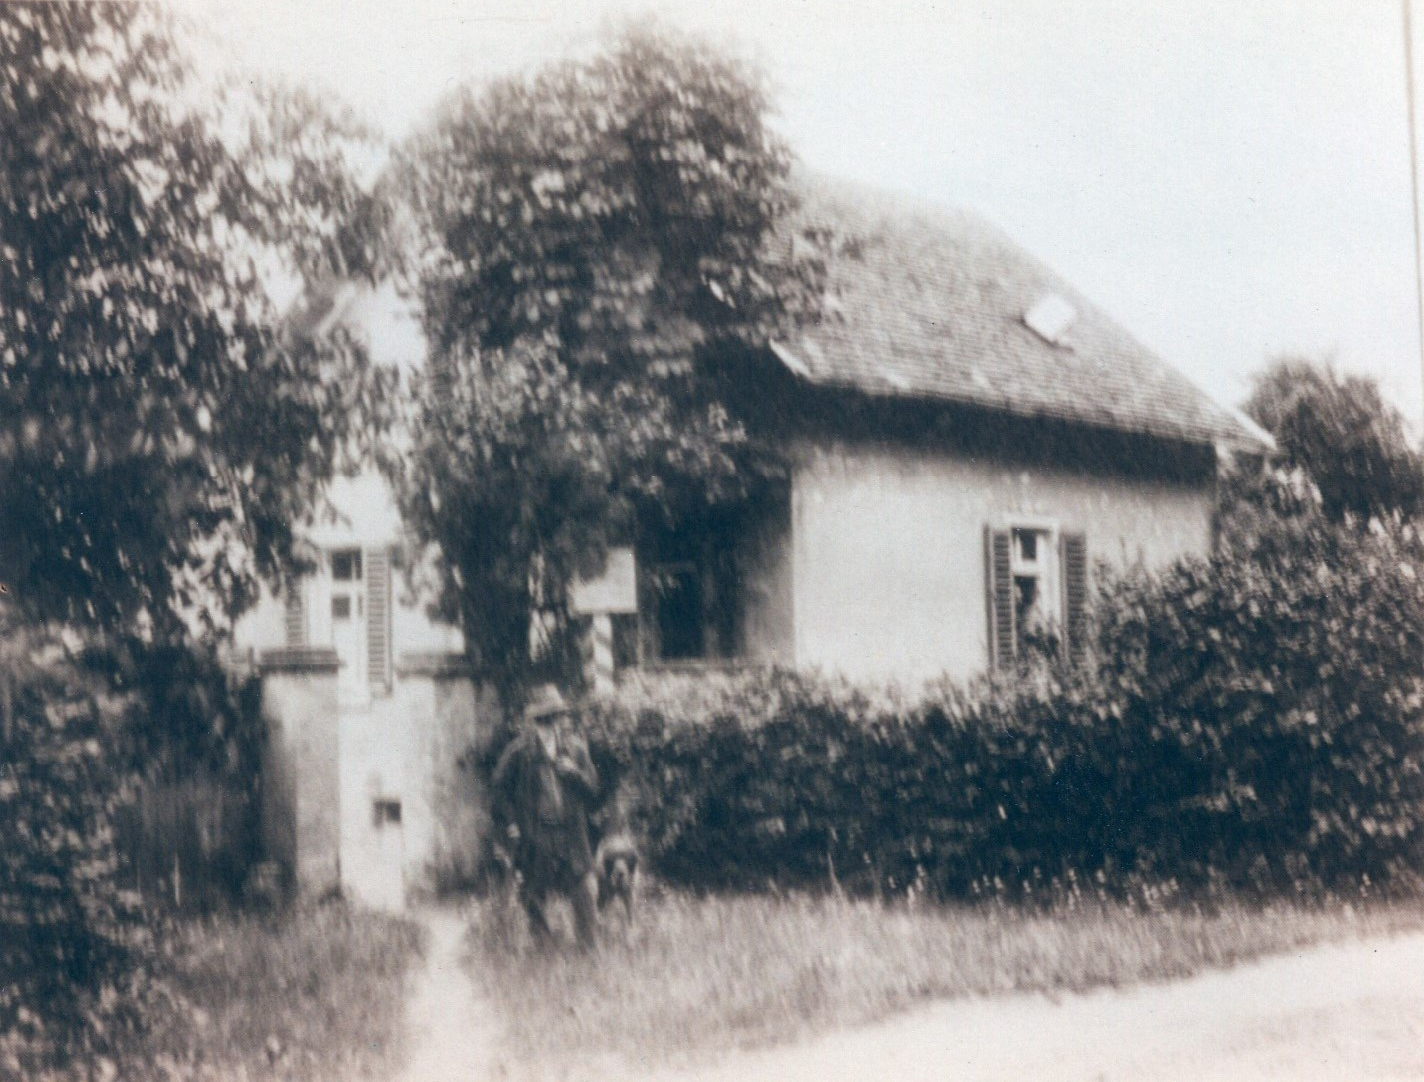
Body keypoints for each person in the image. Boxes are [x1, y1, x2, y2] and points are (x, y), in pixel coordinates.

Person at [490, 684, 602, 947]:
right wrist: (511, 822)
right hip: (536, 833)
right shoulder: (520, 752)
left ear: (561, 720)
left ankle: (588, 949)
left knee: (585, 887)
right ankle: (543, 946)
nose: (549, 727)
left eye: (554, 719)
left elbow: (594, 791)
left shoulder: (576, 750)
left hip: (571, 833)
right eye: (543, 720)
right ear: (535, 722)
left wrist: (575, 773)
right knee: (531, 891)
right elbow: (498, 788)